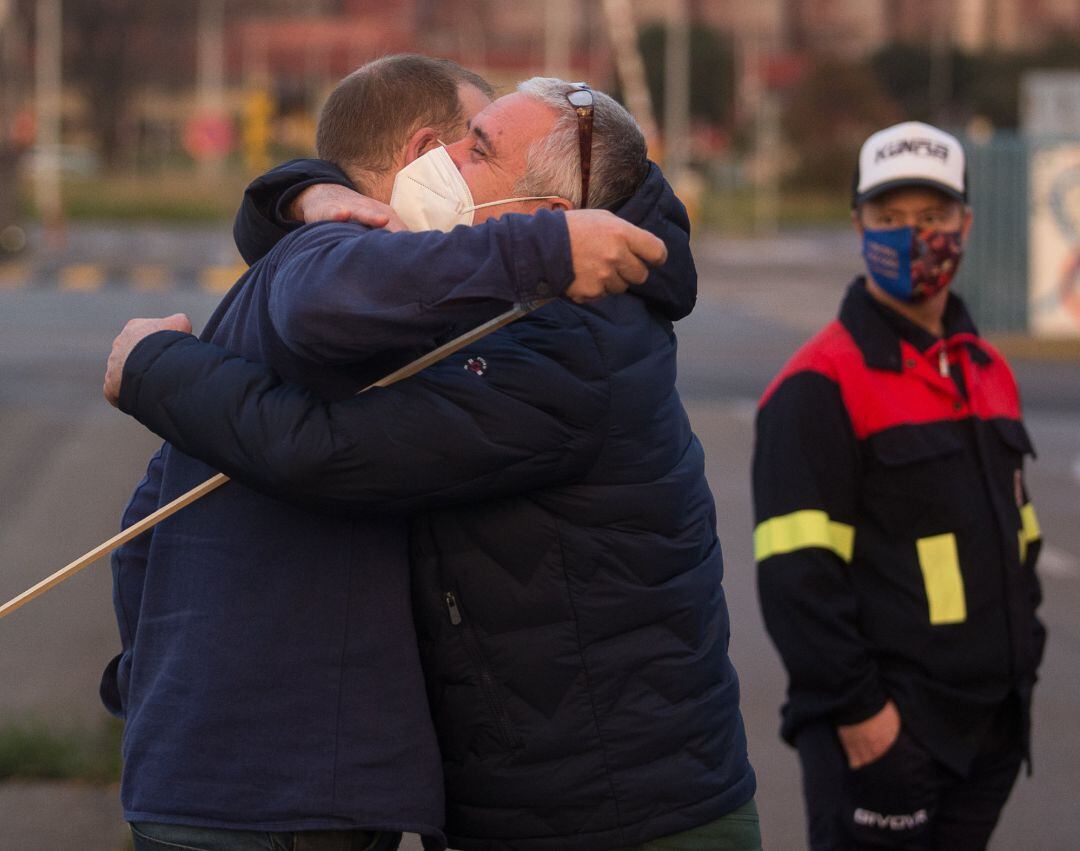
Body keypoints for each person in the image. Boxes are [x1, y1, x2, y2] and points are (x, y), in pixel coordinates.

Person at [103, 77, 760, 851]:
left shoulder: (575, 345)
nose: (440, 156)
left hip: (623, 813)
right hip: (525, 803)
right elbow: (320, 274)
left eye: (476, 148)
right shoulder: (495, 289)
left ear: (553, 224)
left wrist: (152, 367)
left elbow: (327, 452)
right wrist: (307, 195)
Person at [752, 121, 1045, 849]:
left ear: (965, 224)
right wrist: (863, 717)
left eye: (933, 218)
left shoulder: (986, 369)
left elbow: (1020, 536)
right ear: (859, 225)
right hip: (886, 739)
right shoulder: (818, 384)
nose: (915, 237)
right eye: (890, 219)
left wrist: (1024, 662)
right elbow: (797, 579)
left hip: (989, 731)